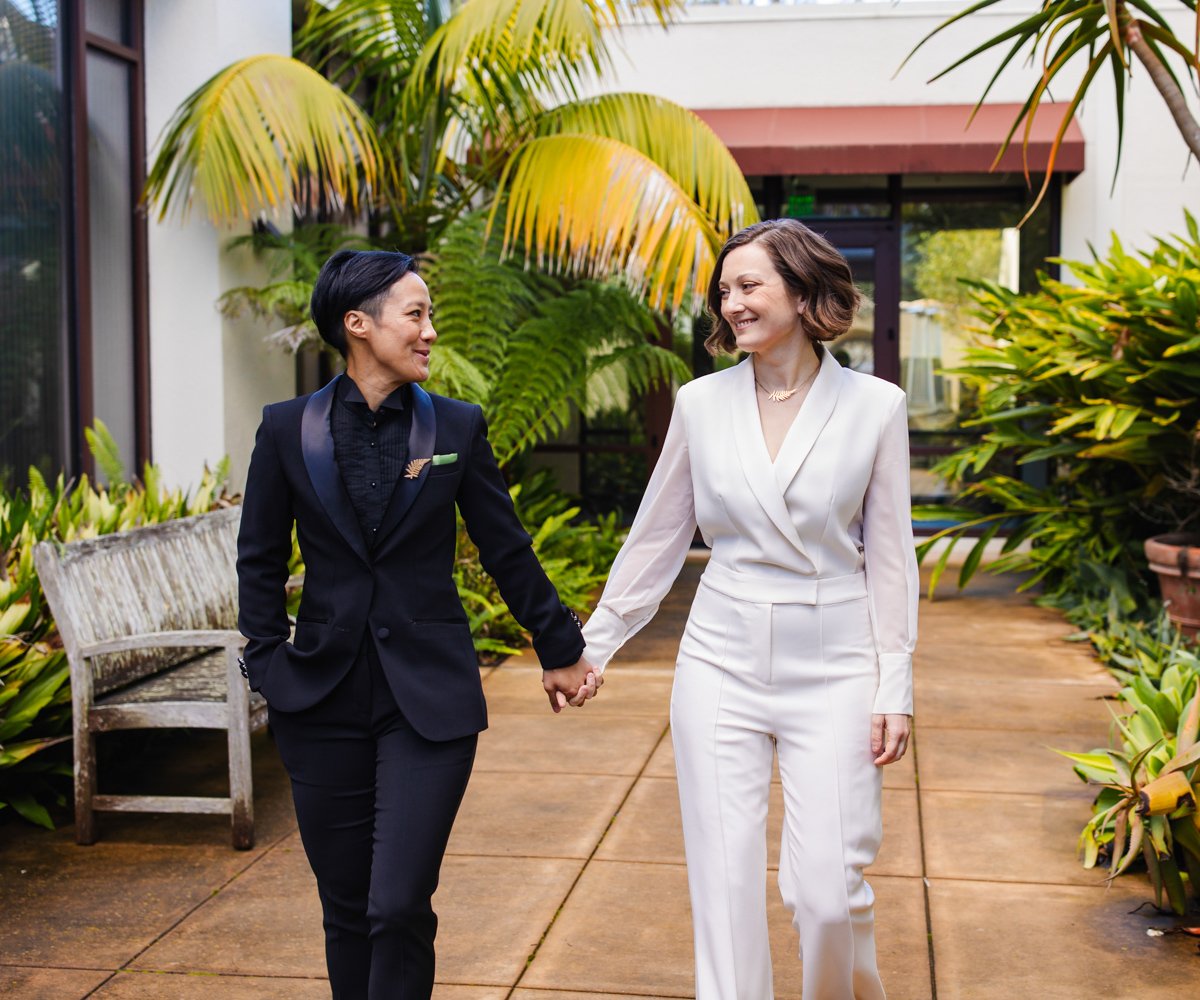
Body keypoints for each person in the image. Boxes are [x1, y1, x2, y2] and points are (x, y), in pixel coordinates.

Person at [236, 249, 599, 1000]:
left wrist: (560, 648)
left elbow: (505, 544)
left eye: (430, 313)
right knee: (346, 911)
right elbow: (261, 557)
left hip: (427, 703)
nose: (431, 330)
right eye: (417, 314)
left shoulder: (456, 428)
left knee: (396, 904)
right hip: (320, 697)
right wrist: (266, 660)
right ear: (358, 324)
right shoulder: (285, 430)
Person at [581, 219, 917, 999]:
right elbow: (658, 537)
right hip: (720, 660)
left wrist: (892, 683)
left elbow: (893, 558)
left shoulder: (876, 406)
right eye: (724, 291)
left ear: (801, 294)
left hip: (836, 662)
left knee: (828, 894)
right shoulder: (701, 404)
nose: (731, 303)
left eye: (749, 286)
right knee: (725, 884)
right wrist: (596, 645)